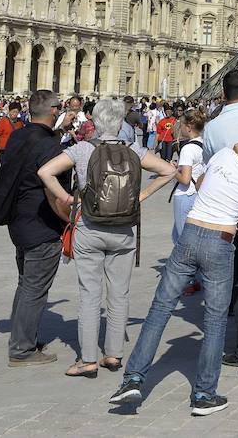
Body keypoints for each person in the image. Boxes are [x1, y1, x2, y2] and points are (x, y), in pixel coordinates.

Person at [110, 131, 238, 415]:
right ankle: (204, 394)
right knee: (215, 320)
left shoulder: (224, 155)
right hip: (220, 242)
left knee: (160, 309)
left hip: (190, 233)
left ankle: (133, 379)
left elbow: (235, 148)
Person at [37, 99, 176, 377]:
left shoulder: (83, 149)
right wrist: (142, 197)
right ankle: (113, 355)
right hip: (124, 229)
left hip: (89, 227)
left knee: (90, 295)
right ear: (121, 122)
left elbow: (45, 171)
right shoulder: (134, 150)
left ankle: (87, 359)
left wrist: (66, 197)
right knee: (119, 293)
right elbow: (169, 171)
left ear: (95, 122)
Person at [0, 90, 67, 367]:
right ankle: (22, 349)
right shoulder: (50, 144)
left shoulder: (18, 135)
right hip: (41, 223)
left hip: (17, 219)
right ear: (53, 111)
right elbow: (54, 190)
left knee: (26, 282)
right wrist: (66, 216)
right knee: (35, 287)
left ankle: (21, 336)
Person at [170, 108, 208, 247]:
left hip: (185, 195)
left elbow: (185, 179)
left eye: (181, 125)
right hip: (197, 194)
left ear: (189, 127)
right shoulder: (204, 144)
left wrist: (172, 170)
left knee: (182, 239)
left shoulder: (187, 148)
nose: (180, 128)